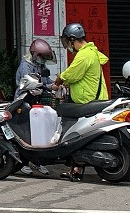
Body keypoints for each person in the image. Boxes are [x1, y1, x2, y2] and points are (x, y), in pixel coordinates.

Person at [50, 22, 109, 180]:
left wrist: (58, 81)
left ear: (72, 40)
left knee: (72, 133)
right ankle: (77, 169)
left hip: (86, 101)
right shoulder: (91, 52)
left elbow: (71, 74)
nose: (68, 46)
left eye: (67, 42)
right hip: (92, 99)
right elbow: (81, 77)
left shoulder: (84, 55)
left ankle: (76, 167)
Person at [15, 38, 55, 176]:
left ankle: (39, 161)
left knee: (39, 132)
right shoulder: (25, 66)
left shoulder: (40, 66)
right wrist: (45, 86)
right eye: (42, 57)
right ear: (35, 54)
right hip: (24, 101)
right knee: (25, 132)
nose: (43, 60)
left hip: (37, 102)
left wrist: (55, 85)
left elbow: (46, 81)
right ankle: (23, 163)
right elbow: (31, 82)